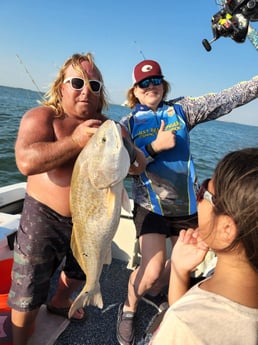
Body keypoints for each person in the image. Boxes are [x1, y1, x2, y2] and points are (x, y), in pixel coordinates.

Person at [116, 59, 258, 345]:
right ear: (135, 90)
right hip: (151, 206)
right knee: (152, 269)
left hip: (188, 206)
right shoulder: (126, 125)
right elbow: (126, 167)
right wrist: (154, 147)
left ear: (163, 83)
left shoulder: (182, 110)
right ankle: (129, 308)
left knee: (187, 263)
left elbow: (225, 99)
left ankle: (169, 301)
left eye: (156, 80)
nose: (151, 86)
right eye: (144, 83)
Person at [8, 52, 146, 345]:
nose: (86, 91)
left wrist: (128, 150)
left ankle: (60, 302)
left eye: (94, 86)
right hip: (43, 217)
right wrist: (74, 141)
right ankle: (20, 340)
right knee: (28, 289)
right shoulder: (43, 117)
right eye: (77, 83)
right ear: (61, 87)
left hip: (91, 220)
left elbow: (139, 165)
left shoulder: (110, 129)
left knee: (79, 271)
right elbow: (25, 162)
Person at [148, 147, 258, 345]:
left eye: (203, 192)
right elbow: (191, 308)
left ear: (227, 230)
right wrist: (179, 271)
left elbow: (189, 318)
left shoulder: (184, 327)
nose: (197, 200)